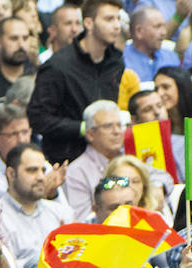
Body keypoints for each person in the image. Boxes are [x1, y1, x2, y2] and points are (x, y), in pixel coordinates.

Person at [27, 0, 124, 166]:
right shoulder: (58, 66)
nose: (117, 26)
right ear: (89, 23)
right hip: (68, 159)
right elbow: (38, 118)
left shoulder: (116, 61)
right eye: (109, 19)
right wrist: (84, 128)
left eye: (118, 19)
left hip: (107, 157)